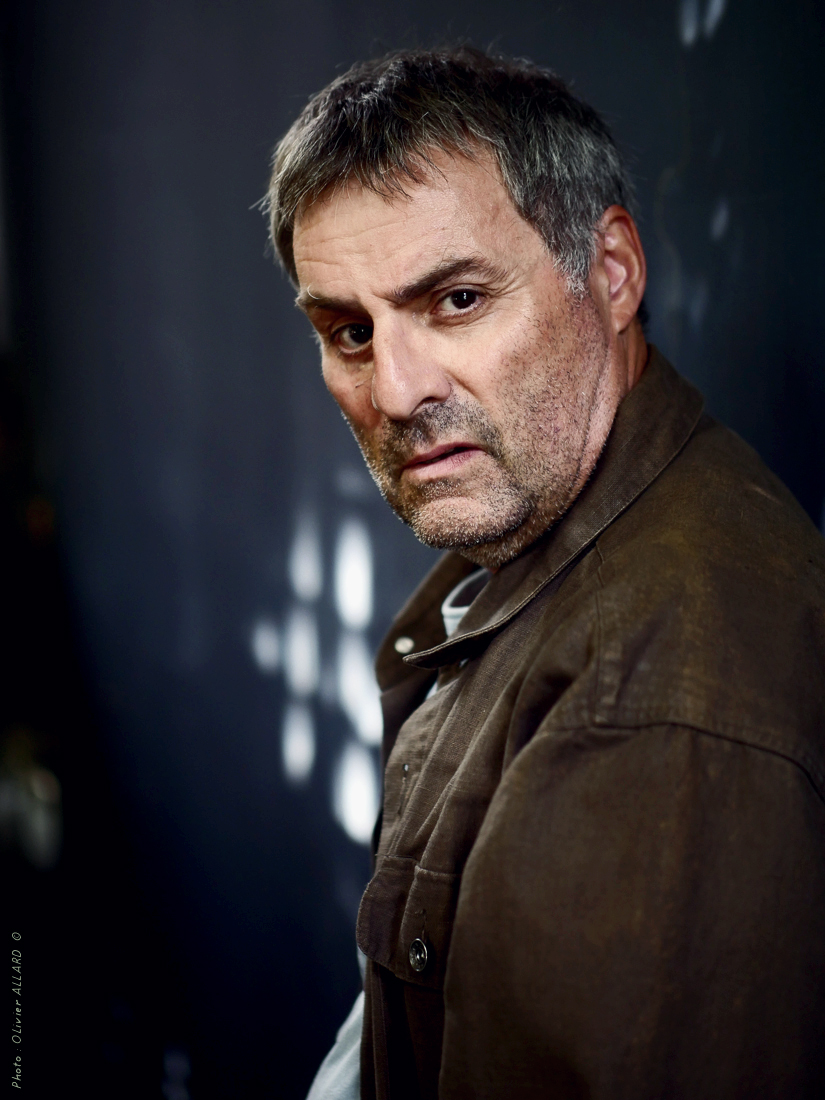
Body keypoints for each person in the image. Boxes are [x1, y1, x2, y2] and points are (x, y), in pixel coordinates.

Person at [265, 46, 825, 1100]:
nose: (395, 389)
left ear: (610, 272)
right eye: (349, 330)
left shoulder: (646, 697)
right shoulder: (552, 534)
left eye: (457, 299)